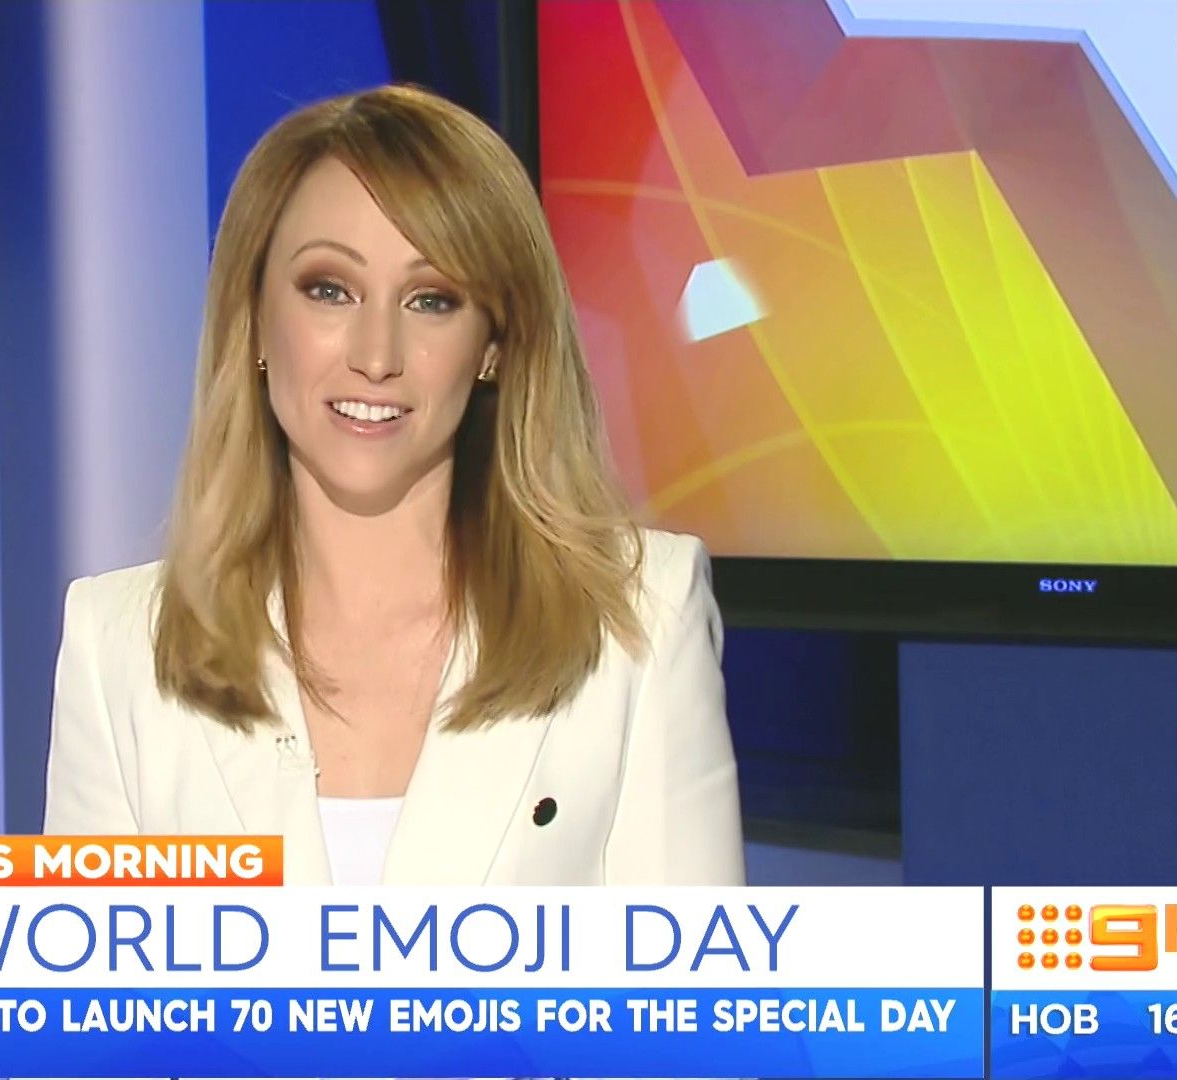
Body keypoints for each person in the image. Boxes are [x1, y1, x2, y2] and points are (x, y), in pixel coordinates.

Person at [44, 84, 743, 888]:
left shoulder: (639, 623)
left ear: (494, 346)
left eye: (431, 300)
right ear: (255, 318)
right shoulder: (118, 649)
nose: (376, 355)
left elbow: (686, 971)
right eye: (329, 290)